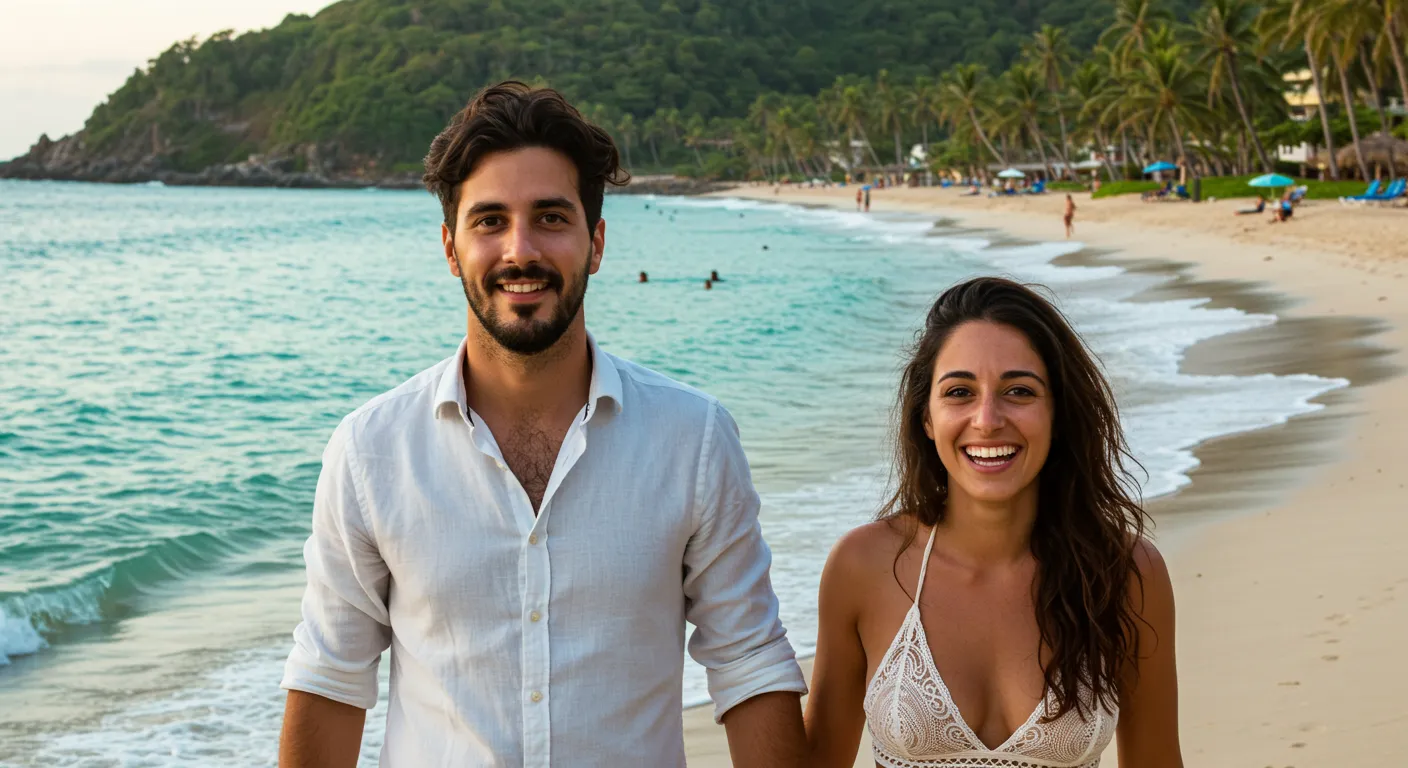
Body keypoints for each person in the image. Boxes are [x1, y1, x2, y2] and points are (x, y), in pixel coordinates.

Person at [278, 81, 808, 768]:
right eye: (489, 221)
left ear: (596, 242)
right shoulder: (371, 451)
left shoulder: (694, 439)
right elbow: (330, 679)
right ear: (450, 247)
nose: (519, 250)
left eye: (551, 218)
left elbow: (749, 664)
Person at [803, 277, 1182, 767]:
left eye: (1019, 391)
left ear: (1058, 414)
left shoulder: (1126, 573)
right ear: (927, 418)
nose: (987, 419)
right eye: (959, 391)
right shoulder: (863, 566)